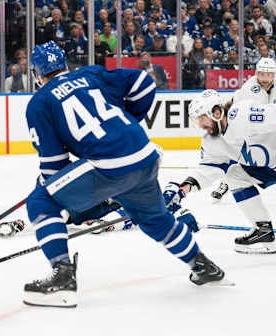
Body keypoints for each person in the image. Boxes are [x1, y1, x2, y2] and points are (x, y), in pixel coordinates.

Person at [22, 41, 228, 308]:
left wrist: (46, 184)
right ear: (63, 63)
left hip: (108, 165)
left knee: (41, 201)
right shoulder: (90, 73)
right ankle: (202, 265)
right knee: (156, 219)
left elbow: (53, 166)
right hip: (144, 153)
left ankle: (62, 276)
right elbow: (143, 82)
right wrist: (127, 121)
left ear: (37, 74)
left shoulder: (39, 102)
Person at [165, 89, 276, 254]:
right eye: (198, 121)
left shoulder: (243, 114)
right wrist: (185, 187)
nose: (201, 125)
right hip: (267, 166)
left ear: (216, 112)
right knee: (234, 176)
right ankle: (263, 229)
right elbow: (210, 167)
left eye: (202, 118)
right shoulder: (212, 140)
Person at [208, 58, 276, 203]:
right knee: (240, 155)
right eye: (262, 74)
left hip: (265, 126)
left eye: (269, 75)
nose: (265, 78)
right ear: (257, 73)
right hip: (245, 125)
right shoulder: (250, 89)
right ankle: (225, 184)